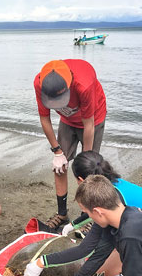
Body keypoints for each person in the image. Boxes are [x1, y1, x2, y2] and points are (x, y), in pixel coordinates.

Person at [23, 150, 142, 276]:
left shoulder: (111, 202)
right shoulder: (109, 185)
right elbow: (93, 212)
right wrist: (73, 225)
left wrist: (41, 262)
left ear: (82, 181)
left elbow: (85, 249)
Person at [34, 59, 106, 229]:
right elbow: (44, 118)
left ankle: (87, 216)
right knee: (59, 167)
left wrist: (85, 161)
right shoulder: (40, 83)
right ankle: (62, 213)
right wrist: (57, 151)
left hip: (93, 120)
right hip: (67, 121)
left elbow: (88, 124)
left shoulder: (84, 83)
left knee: (90, 171)